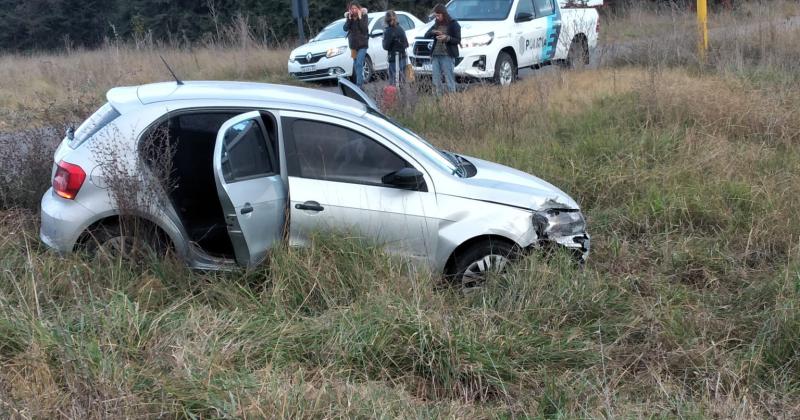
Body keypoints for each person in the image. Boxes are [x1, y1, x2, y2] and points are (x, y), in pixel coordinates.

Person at [424, 4, 460, 95]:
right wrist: (434, 32)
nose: (437, 17)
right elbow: (426, 35)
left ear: (444, 14)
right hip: (436, 55)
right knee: (436, 80)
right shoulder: (436, 24)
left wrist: (446, 38)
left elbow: (458, 40)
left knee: (449, 79)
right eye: (436, 15)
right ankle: (437, 101)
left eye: (438, 15)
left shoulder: (453, 24)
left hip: (447, 55)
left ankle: (451, 100)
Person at [343, 2, 369, 88]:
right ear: (350, 10)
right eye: (352, 9)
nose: (354, 10)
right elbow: (345, 28)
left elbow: (364, 29)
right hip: (353, 46)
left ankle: (359, 85)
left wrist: (360, 17)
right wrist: (349, 19)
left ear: (358, 8)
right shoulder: (349, 17)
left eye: (355, 8)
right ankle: (359, 83)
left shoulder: (364, 15)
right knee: (355, 64)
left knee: (359, 63)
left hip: (362, 45)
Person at [382, 11, 409, 86]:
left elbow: (385, 46)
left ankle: (395, 97)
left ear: (386, 20)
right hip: (403, 57)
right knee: (402, 82)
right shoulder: (401, 28)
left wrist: (384, 39)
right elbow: (406, 44)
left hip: (394, 59)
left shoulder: (388, 31)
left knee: (393, 82)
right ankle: (403, 97)